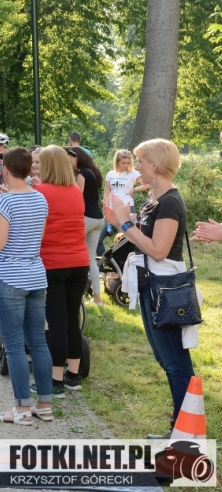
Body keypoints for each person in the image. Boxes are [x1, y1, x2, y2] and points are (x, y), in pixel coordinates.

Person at [104, 139, 197, 436]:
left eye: (141, 161)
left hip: (164, 289)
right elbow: (144, 234)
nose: (137, 167)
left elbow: (158, 250)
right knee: (166, 359)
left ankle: (184, 434)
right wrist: (120, 221)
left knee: (176, 363)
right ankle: (180, 429)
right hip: (150, 285)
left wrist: (126, 225)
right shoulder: (153, 199)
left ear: (154, 165)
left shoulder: (169, 202)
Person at [0, 147, 53, 425]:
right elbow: (39, 238)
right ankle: (44, 405)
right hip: (36, 275)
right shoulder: (40, 198)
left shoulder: (5, 202)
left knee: (13, 345)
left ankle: (22, 408)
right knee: (38, 342)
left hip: (10, 277)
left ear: (5, 170)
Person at [35, 146, 90, 396]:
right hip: (79, 261)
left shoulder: (40, 191)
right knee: (71, 319)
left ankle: (55, 380)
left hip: (53, 263)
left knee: (56, 322)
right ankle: (73, 375)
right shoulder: (76, 191)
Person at [66, 147, 104, 305]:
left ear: (78, 157)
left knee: (70, 251)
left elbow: (77, 196)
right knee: (91, 258)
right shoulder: (94, 172)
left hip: (87, 217)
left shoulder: (82, 173)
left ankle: (75, 292)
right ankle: (97, 298)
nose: (70, 162)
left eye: (71, 159)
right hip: (99, 219)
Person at [97, 150, 149, 256]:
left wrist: (135, 189)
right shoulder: (110, 174)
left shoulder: (133, 173)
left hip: (127, 208)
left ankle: (122, 262)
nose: (126, 165)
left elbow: (149, 183)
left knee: (126, 240)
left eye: (128, 163)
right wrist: (105, 206)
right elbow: (107, 192)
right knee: (98, 238)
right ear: (117, 162)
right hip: (111, 209)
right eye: (123, 163)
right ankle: (106, 261)